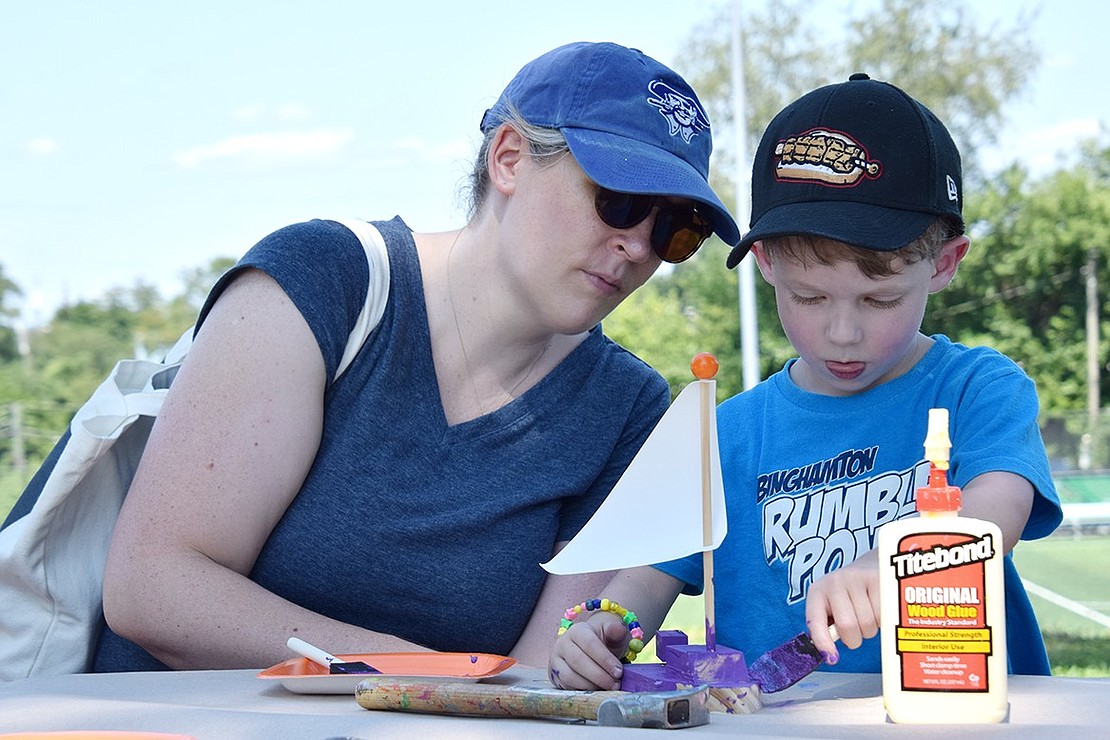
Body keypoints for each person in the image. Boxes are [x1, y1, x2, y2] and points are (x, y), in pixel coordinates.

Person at [92, 41, 741, 672]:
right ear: (509, 158)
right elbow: (153, 587)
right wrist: (423, 673)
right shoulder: (328, 281)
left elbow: (543, 679)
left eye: (674, 230)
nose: (637, 247)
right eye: (618, 200)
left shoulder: (626, 408)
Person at [549, 73, 1063, 690]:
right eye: (809, 296)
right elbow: (645, 584)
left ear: (944, 263)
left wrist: (894, 564)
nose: (841, 332)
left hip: (962, 716)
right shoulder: (724, 432)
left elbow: (992, 518)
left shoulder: (979, 389)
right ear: (764, 263)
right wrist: (607, 627)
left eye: (880, 300)